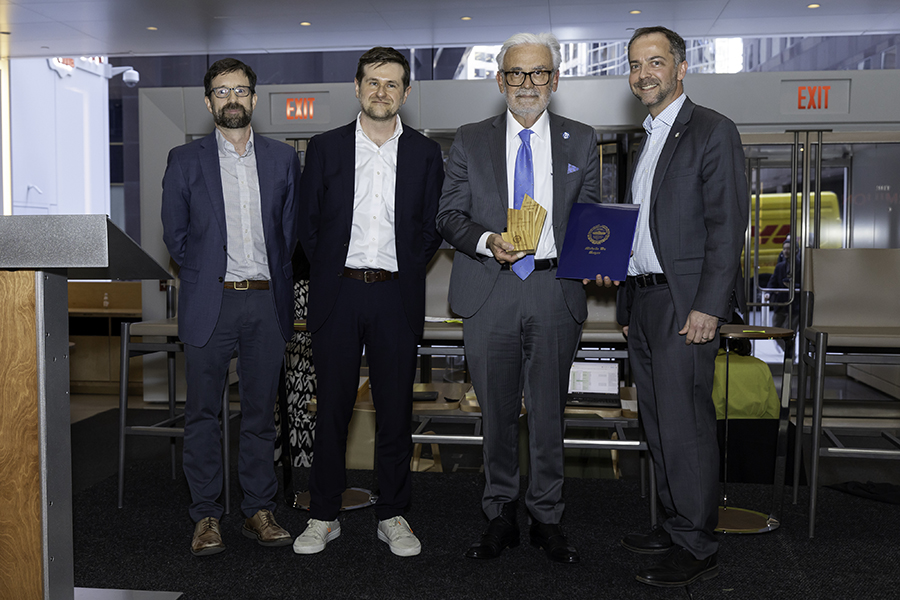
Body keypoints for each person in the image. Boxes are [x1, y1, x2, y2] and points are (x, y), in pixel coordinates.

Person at [437, 32, 601, 564]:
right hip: (491, 287)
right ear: (499, 80)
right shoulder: (469, 138)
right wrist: (488, 240)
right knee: (498, 411)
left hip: (556, 289)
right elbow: (450, 216)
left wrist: (600, 257)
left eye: (538, 74)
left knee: (550, 412)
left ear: (554, 80)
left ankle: (548, 518)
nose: (526, 84)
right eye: (516, 73)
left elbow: (592, 215)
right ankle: (500, 513)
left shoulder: (582, 139)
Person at [594, 26, 749, 587]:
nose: (644, 74)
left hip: (686, 306)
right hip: (645, 300)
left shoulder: (711, 130)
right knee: (658, 422)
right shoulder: (646, 137)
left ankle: (698, 543)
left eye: (655, 62)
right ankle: (676, 520)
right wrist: (622, 267)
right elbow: (646, 228)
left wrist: (710, 306)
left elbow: (726, 227)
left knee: (686, 426)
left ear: (681, 68)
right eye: (635, 65)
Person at [293, 47, 444, 558]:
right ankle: (323, 515)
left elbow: (429, 229)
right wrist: (334, 272)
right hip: (338, 292)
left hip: (396, 294)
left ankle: (393, 514)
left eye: (393, 83)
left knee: (395, 411)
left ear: (406, 92)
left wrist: (401, 267)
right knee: (331, 409)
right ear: (357, 87)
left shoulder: (425, 153)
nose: (382, 91)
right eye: (373, 82)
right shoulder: (325, 147)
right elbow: (307, 228)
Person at [161, 58, 299, 555]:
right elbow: (175, 237)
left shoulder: (283, 160)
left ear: (255, 99)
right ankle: (206, 517)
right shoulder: (184, 159)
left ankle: (258, 511)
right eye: (221, 92)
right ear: (208, 102)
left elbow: (290, 235)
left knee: (261, 416)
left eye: (240, 91)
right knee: (202, 415)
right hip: (210, 304)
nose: (232, 100)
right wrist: (205, 277)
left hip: (267, 304)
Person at [767, 237, 801, 347]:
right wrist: (770, 292)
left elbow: (805, 285)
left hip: (795, 305)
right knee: (775, 331)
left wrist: (793, 286)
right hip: (781, 304)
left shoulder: (801, 266)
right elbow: (772, 281)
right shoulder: (780, 266)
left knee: (789, 332)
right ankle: (788, 352)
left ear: (796, 251)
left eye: (788, 249)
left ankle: (790, 356)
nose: (786, 251)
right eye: (784, 249)